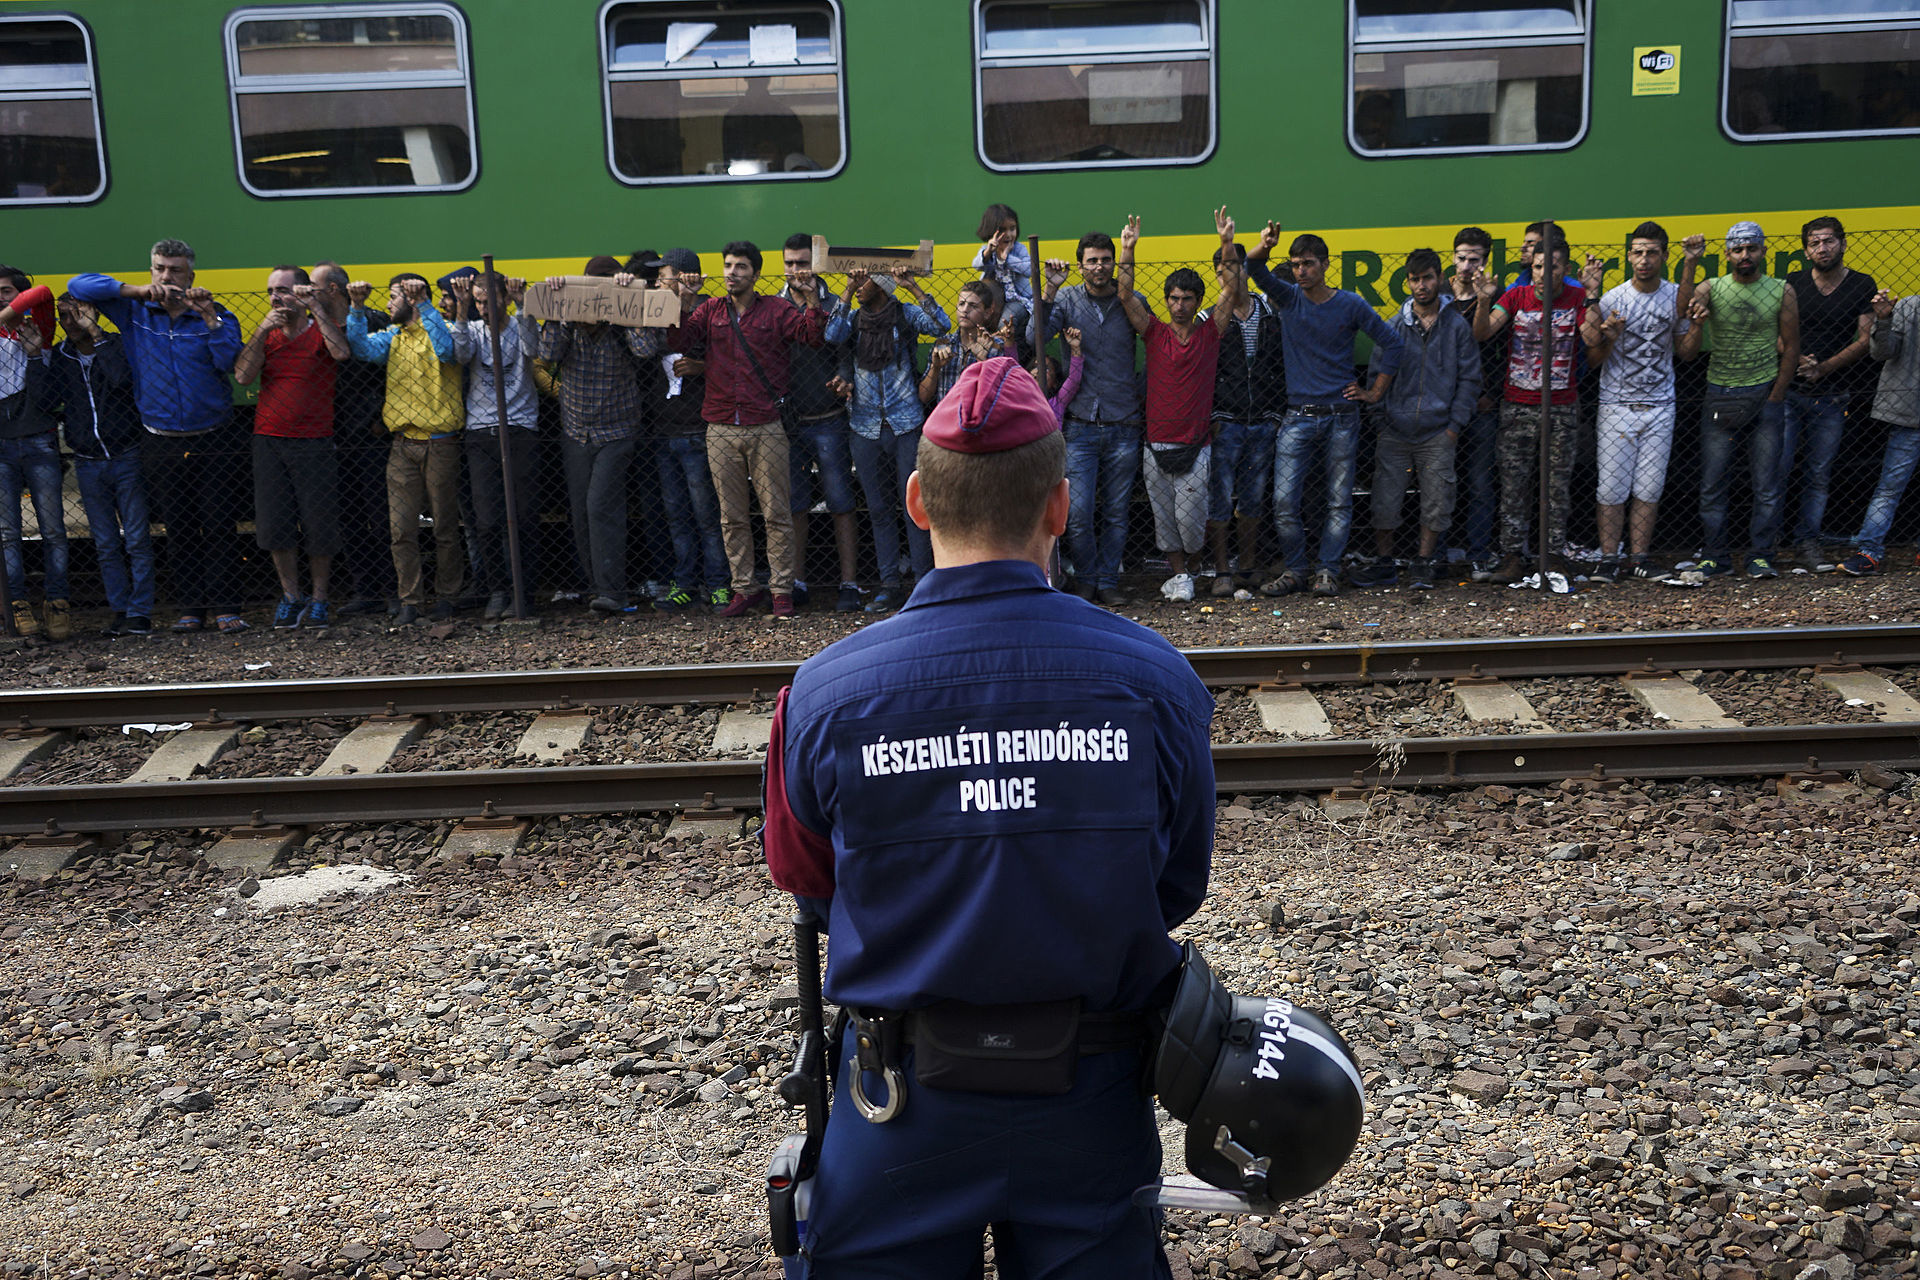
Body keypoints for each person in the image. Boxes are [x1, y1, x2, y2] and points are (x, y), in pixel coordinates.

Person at [761, 355, 1214, 1272]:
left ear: (920, 501)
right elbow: (1175, 882)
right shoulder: (1156, 681)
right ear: (1061, 505)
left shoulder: (823, 694)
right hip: (1091, 1098)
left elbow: (808, 883)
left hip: (897, 1105)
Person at [70, 239, 247, 633]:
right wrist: (135, 290)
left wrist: (209, 319)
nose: (166, 277)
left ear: (191, 276)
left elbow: (227, 363)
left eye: (175, 270)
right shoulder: (135, 311)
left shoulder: (218, 315)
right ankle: (190, 609)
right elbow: (78, 285)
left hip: (213, 436)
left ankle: (226, 608)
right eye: (159, 269)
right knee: (178, 527)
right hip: (160, 438)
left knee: (219, 525)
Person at [668, 240, 830, 618]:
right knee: (731, 516)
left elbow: (813, 337)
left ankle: (781, 591)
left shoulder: (776, 309)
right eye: (727, 266)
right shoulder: (708, 310)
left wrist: (810, 300)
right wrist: (683, 300)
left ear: (755, 274)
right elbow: (681, 342)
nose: (731, 273)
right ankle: (744, 589)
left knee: (777, 513)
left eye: (740, 267)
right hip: (721, 424)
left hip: (766, 423)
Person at [1246, 221, 1404, 598]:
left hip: (1341, 416)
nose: (1301, 271)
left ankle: (1327, 572)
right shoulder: (1289, 297)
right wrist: (1265, 246)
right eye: (1296, 264)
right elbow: (1252, 268)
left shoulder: (1350, 304)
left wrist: (1373, 392)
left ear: (1325, 264)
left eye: (1308, 264)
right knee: (1284, 500)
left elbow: (1393, 343)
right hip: (1298, 415)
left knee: (1338, 501)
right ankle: (1297, 569)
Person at [1114, 209, 1241, 602]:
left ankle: (1193, 567)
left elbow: (1232, 290)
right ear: (1166, 300)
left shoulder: (1210, 333)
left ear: (1197, 301)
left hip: (1195, 445)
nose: (1179, 305)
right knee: (1163, 521)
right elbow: (1124, 294)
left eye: (1187, 299)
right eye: (1173, 298)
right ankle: (1181, 576)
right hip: (1156, 445)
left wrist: (1225, 242)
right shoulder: (1154, 332)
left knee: (1190, 522)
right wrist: (1127, 249)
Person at [1675, 221, 1801, 582]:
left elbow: (1792, 346)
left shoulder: (1781, 290)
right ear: (1727, 254)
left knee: (1767, 484)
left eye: (1752, 248)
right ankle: (1716, 556)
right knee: (1713, 483)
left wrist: (1777, 395)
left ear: (1762, 251)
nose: (1745, 255)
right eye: (1737, 249)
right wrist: (1690, 262)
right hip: (1720, 392)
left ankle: (1760, 556)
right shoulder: (1712, 286)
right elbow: (1682, 309)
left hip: (1765, 393)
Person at [1350, 248, 1479, 591]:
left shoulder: (1456, 326)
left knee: (1437, 498)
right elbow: (1376, 374)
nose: (1421, 285)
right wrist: (1380, 421)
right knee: (1384, 499)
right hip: (1394, 429)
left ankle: (1423, 562)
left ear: (1440, 278)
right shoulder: (1393, 326)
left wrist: (1454, 426)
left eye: (1427, 278)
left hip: (1439, 431)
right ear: (1407, 282)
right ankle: (1385, 563)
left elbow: (1470, 379)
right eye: (1414, 279)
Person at [536, 258, 659, 616]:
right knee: (581, 513)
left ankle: (612, 592)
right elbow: (546, 354)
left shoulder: (621, 326)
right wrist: (562, 310)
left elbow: (646, 349)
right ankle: (598, 587)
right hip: (576, 431)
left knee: (600, 506)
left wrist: (626, 299)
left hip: (618, 430)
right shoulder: (569, 325)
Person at [824, 265, 950, 612]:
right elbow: (832, 335)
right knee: (879, 510)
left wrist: (913, 288)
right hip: (864, 427)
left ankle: (924, 583)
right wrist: (847, 291)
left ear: (880, 285)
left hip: (905, 423)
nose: (857, 286)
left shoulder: (904, 315)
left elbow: (941, 325)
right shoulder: (853, 319)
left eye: (862, 281)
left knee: (914, 508)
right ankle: (889, 584)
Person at [1580, 225, 1701, 583]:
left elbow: (1687, 354)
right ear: (1628, 256)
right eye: (1637, 252)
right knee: (1611, 487)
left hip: (1661, 404)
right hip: (1617, 404)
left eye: (1651, 252)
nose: (1644, 260)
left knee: (1650, 487)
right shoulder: (1612, 299)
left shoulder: (1677, 296)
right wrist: (1609, 338)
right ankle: (1607, 558)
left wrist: (1696, 327)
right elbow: (1592, 358)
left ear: (1664, 255)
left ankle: (1639, 558)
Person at [232, 265, 351, 629]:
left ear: (301, 291)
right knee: (275, 524)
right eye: (271, 291)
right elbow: (242, 376)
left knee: (318, 525)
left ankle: (319, 600)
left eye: (283, 290)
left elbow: (341, 353)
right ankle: (290, 596)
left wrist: (316, 308)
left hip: (314, 440)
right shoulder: (267, 335)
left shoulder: (320, 330)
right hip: (269, 440)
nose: (275, 297)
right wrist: (262, 328)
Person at [346, 270, 467, 625]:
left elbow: (448, 352)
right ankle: (410, 600)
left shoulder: (438, 330)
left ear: (412, 300)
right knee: (401, 530)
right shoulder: (393, 337)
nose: (387, 304)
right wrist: (355, 308)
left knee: (445, 526)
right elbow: (361, 349)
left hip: (440, 443)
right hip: (401, 445)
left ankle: (447, 596)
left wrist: (425, 305)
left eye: (394, 297)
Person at [1471, 233, 1591, 583]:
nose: (1543, 275)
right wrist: (1482, 301)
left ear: (1565, 269)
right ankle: (1512, 556)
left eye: (1551, 268)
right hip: (1517, 406)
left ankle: (1552, 556)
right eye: (1538, 267)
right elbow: (1483, 332)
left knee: (1557, 486)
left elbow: (1595, 338)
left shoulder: (1578, 297)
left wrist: (1593, 295)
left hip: (1562, 407)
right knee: (1513, 484)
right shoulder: (1515, 296)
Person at [1034, 231, 1142, 605]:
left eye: (1106, 259)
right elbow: (1039, 336)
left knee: (1116, 512)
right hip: (1079, 424)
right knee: (1077, 514)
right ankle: (1088, 579)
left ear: (1115, 263)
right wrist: (1049, 289)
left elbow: (1154, 335)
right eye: (1092, 260)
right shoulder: (1065, 298)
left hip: (1124, 421)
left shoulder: (1132, 301)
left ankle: (1108, 582)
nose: (1099, 266)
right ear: (1080, 265)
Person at [44, 294, 154, 636]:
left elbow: (122, 379)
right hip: (89, 461)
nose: (71, 322)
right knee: (105, 543)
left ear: (92, 313)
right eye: (64, 316)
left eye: (78, 314)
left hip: (127, 454)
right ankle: (120, 609)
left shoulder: (117, 345)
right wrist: (36, 357)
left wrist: (98, 335)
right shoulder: (62, 356)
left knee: (136, 538)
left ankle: (140, 612)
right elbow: (48, 400)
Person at [1781, 217, 1878, 570]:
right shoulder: (1792, 283)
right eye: (1815, 243)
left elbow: (1866, 340)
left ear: (1843, 243)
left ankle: (1807, 544)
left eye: (1828, 241)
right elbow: (1775, 329)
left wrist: (1824, 367)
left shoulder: (1861, 285)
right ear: (1806, 250)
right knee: (1777, 467)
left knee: (1818, 474)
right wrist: (1795, 358)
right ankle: (1766, 545)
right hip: (1788, 391)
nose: (1822, 248)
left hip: (1833, 395)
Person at [449, 271, 539, 621]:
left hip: (519, 429)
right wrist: (462, 309)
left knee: (525, 517)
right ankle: (498, 589)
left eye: (490, 301)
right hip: (481, 432)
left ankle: (524, 592)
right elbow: (458, 356)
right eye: (480, 302)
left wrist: (523, 305)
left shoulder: (518, 325)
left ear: (504, 298)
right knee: (487, 520)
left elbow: (534, 348)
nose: (484, 309)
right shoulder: (472, 329)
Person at [779, 234, 862, 613]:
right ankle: (797, 583)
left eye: (803, 263)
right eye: (791, 264)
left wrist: (844, 377)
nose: (797, 271)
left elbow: (846, 352)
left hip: (830, 419)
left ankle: (849, 583)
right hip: (790, 422)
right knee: (795, 503)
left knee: (841, 502)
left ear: (816, 264)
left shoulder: (835, 304)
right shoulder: (775, 308)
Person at [1199, 240, 1284, 598]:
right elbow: (1201, 374)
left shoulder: (1268, 313)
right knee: (1219, 498)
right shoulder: (1209, 318)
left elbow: (1280, 366)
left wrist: (1276, 413)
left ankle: (1246, 566)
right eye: (1220, 270)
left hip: (1262, 418)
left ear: (1246, 271)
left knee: (1252, 497)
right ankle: (1222, 569)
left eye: (1232, 268)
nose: (1225, 275)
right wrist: (1209, 417)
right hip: (1226, 420)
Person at [313, 261, 397, 615]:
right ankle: (366, 590)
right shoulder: (317, 327)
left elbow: (396, 374)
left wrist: (380, 419)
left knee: (382, 515)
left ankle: (393, 590)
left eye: (314, 286)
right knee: (348, 516)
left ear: (333, 289)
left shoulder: (376, 321)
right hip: (336, 434)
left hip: (373, 434)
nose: (308, 292)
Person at [648, 249, 729, 611]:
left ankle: (718, 584)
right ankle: (685, 583)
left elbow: (732, 361)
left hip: (698, 429)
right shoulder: (653, 313)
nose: (656, 283)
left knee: (707, 515)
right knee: (677, 514)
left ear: (682, 277)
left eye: (663, 277)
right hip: (665, 431)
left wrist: (702, 366)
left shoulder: (712, 312)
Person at [0, 266, 65, 639]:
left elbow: (41, 292)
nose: (1, 297)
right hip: (2, 445)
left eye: (7, 291)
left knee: (53, 530)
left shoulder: (36, 329)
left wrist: (33, 348)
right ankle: (18, 607)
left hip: (39, 440)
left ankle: (58, 605)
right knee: (8, 532)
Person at [1839, 287, 1920, 576]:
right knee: (1889, 487)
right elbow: (1882, 352)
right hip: (1912, 414)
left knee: (1889, 489)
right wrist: (1883, 319)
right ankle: (1869, 552)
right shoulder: (1911, 306)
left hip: (1909, 411)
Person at [1448, 228, 1505, 580]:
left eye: (1475, 259)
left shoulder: (1499, 300)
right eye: (1462, 258)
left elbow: (1499, 352)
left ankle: (1478, 552)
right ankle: (1438, 553)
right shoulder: (1438, 295)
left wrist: (1493, 394)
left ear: (1486, 262)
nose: (1467, 265)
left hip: (1483, 405)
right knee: (1440, 481)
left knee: (1481, 483)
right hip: (1445, 407)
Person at [919, 280, 1007, 408]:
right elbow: (923, 397)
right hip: (946, 421)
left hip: (979, 421)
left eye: (973, 306)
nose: (965, 310)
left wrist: (981, 361)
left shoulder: (995, 348)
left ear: (987, 312)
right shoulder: (943, 343)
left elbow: (997, 398)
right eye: (961, 304)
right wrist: (935, 368)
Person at [973, 202, 1033, 342]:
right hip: (993, 300)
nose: (1008, 234)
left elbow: (1029, 270)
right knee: (977, 320)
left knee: (1004, 323)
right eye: (1002, 230)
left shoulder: (1019, 249)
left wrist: (1007, 258)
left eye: (1012, 229)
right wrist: (988, 252)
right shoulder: (987, 249)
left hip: (1017, 300)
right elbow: (976, 265)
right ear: (991, 231)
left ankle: (1003, 353)